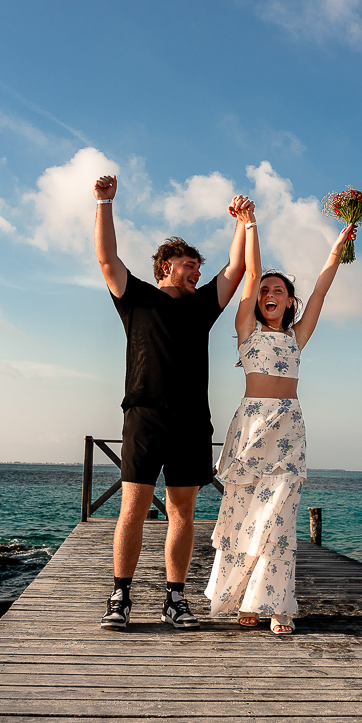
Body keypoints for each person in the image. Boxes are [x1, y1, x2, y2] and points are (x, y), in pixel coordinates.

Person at [93, 173, 254, 630]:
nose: (197, 273)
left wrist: (243, 221)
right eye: (189, 265)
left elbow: (236, 268)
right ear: (167, 266)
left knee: (183, 511)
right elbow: (107, 259)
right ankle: (120, 595)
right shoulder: (137, 298)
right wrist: (105, 203)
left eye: (199, 268)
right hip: (143, 415)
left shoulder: (202, 306)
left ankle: (175, 599)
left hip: (190, 422)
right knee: (134, 507)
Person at [205, 218, 358, 635]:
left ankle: (274, 603)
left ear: (291, 301)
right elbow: (250, 275)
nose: (270, 294)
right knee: (243, 515)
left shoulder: (296, 336)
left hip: (288, 430)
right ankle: (243, 599)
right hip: (251, 428)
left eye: (280, 291)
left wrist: (338, 246)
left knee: (278, 518)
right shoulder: (246, 331)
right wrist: (249, 225)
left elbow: (323, 289)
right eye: (265, 291)